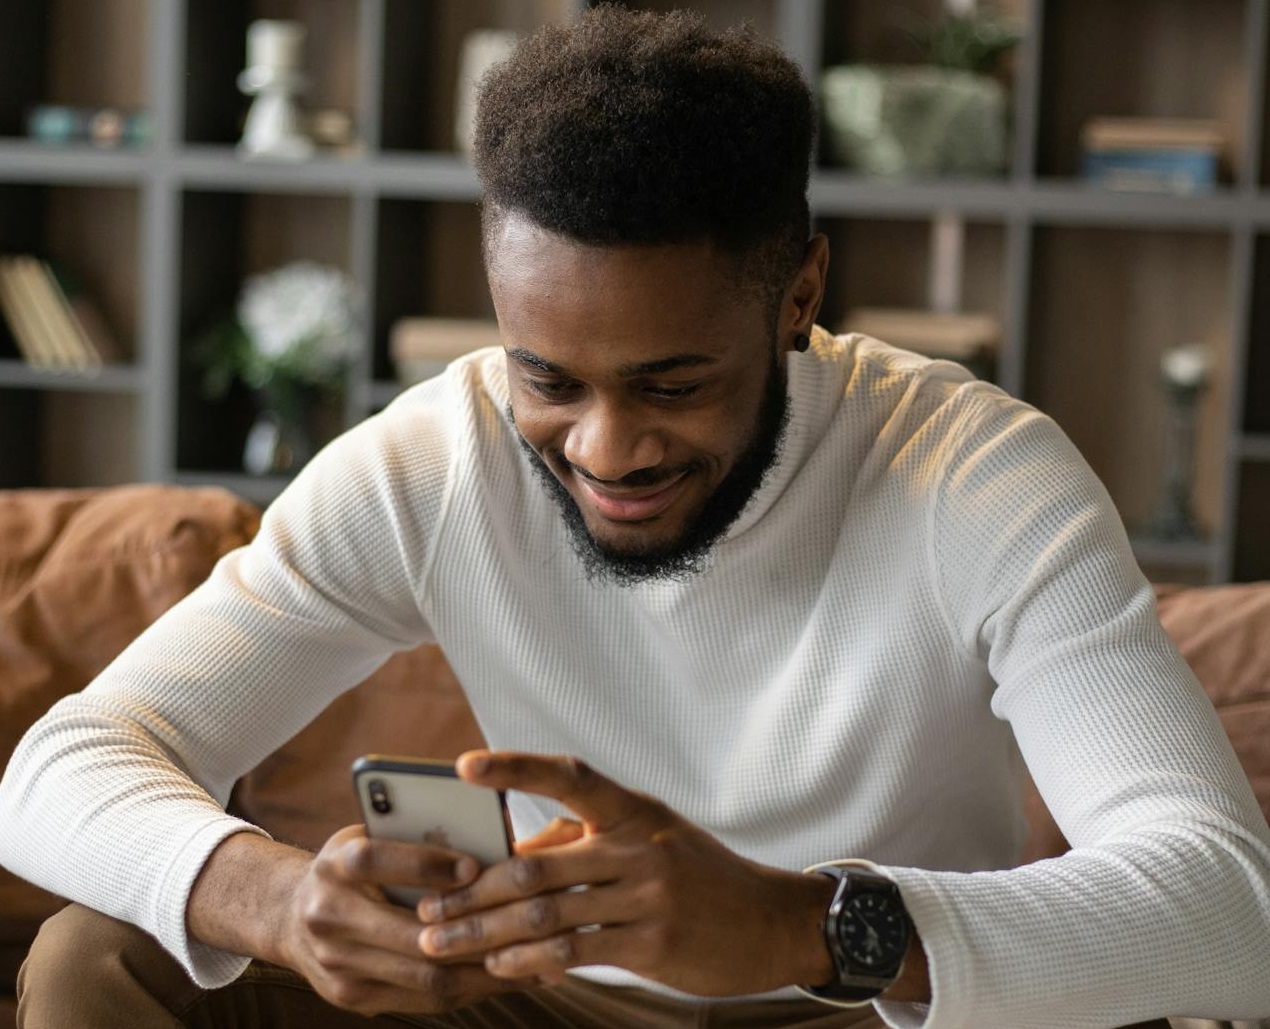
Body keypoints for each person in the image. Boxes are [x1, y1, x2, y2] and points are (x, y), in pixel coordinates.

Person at [2, 8, 1269, 1029]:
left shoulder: (978, 474)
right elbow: (60, 765)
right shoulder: (437, 459)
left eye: (674, 383)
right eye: (546, 378)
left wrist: (796, 926)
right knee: (95, 960)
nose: (605, 451)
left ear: (797, 294)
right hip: (545, 996)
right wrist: (267, 898)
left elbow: (1232, 912)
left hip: (857, 1004)